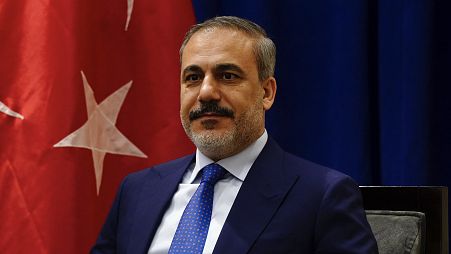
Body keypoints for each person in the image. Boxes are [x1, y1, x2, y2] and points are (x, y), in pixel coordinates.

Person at [91, 16, 378, 254]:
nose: (206, 92)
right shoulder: (137, 191)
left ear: (266, 93)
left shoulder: (322, 196)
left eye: (227, 76)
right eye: (192, 78)